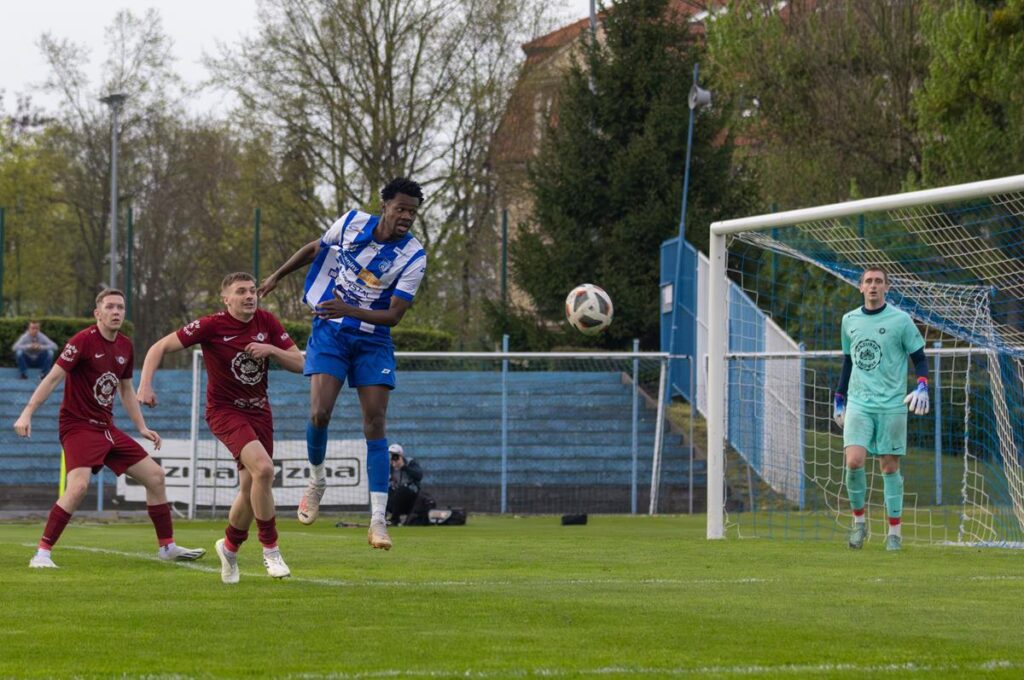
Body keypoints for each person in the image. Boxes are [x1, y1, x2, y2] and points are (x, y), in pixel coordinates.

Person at [258, 177, 427, 551]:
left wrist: (348, 308)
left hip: (373, 340)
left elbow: (394, 316)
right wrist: (276, 276)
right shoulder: (351, 222)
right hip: (331, 332)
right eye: (401, 208)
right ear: (384, 206)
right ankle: (316, 480)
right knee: (319, 413)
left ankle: (378, 521)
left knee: (375, 423)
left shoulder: (414, 256)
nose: (406, 216)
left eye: (412, 212)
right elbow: (315, 248)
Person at [14, 289, 206, 568]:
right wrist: (27, 413)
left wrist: (141, 427)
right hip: (78, 426)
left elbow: (126, 389)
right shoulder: (82, 341)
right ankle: (42, 554)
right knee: (78, 487)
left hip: (106, 428)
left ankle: (167, 547)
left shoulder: (125, 345)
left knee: (156, 477)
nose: (116, 312)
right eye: (110, 307)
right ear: (98, 313)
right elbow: (53, 378)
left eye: (120, 307)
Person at [138, 273, 305, 583]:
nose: (249, 296)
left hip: (260, 413)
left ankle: (229, 547)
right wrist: (145, 384)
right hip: (225, 411)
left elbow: (301, 363)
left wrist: (272, 350)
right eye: (241, 291)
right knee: (265, 469)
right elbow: (158, 347)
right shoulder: (211, 325)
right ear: (226, 299)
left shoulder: (268, 322)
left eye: (252, 290)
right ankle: (271, 550)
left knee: (250, 487)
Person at [833, 266, 929, 551]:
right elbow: (848, 361)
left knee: (889, 466)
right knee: (853, 461)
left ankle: (894, 533)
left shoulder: (901, 320)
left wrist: (922, 385)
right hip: (859, 402)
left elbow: (919, 357)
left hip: (892, 404)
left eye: (878, 281)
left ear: (887, 287)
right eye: (868, 281)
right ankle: (859, 524)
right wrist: (839, 397)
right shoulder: (849, 320)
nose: (873, 285)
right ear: (861, 287)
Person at [386, 443, 423, 525]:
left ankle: (394, 519)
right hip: (397, 496)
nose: (393, 458)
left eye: (395, 455)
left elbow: (419, 476)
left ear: (401, 455)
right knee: (385, 492)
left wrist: (403, 467)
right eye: (391, 455)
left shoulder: (410, 463)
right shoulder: (390, 467)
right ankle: (382, 518)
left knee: (401, 490)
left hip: (411, 495)